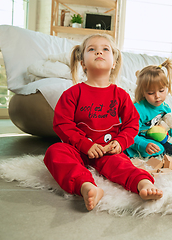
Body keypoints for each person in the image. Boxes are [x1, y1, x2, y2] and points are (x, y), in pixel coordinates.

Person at [43, 34, 162, 211]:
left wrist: (120, 143)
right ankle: (87, 187)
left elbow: (132, 123)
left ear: (113, 62)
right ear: (83, 63)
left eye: (105, 49)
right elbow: (62, 124)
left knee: (123, 164)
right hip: (77, 149)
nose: (99, 51)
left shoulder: (120, 95)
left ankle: (143, 184)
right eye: (92, 49)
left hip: (108, 151)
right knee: (54, 152)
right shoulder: (72, 93)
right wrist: (85, 144)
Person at [125, 59, 172, 158]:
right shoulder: (138, 109)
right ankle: (130, 152)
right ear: (143, 93)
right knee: (162, 149)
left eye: (161, 90)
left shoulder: (164, 108)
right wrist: (144, 145)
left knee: (167, 149)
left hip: (151, 138)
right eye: (151, 93)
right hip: (136, 140)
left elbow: (168, 127)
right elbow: (128, 134)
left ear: (166, 88)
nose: (157, 96)